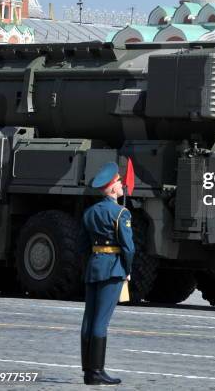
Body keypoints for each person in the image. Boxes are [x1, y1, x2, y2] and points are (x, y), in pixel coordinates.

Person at [79, 161, 135, 385]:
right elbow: (129, 247)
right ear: (112, 188)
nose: (122, 185)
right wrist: (127, 270)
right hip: (112, 268)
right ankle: (97, 372)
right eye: (119, 182)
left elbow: (83, 245)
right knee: (101, 321)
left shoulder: (90, 212)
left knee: (88, 320)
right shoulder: (121, 213)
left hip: (94, 266)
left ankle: (87, 370)